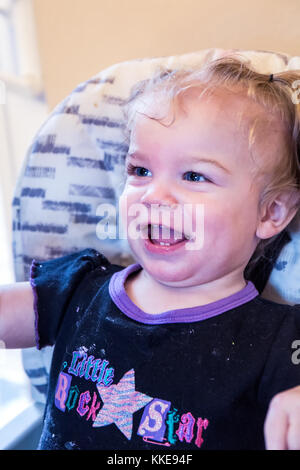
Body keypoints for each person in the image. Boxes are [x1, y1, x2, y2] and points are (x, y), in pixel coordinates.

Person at [1, 55, 300, 450]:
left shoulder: (279, 342)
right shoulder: (79, 286)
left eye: (194, 176)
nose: (153, 196)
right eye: (140, 170)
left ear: (271, 211)